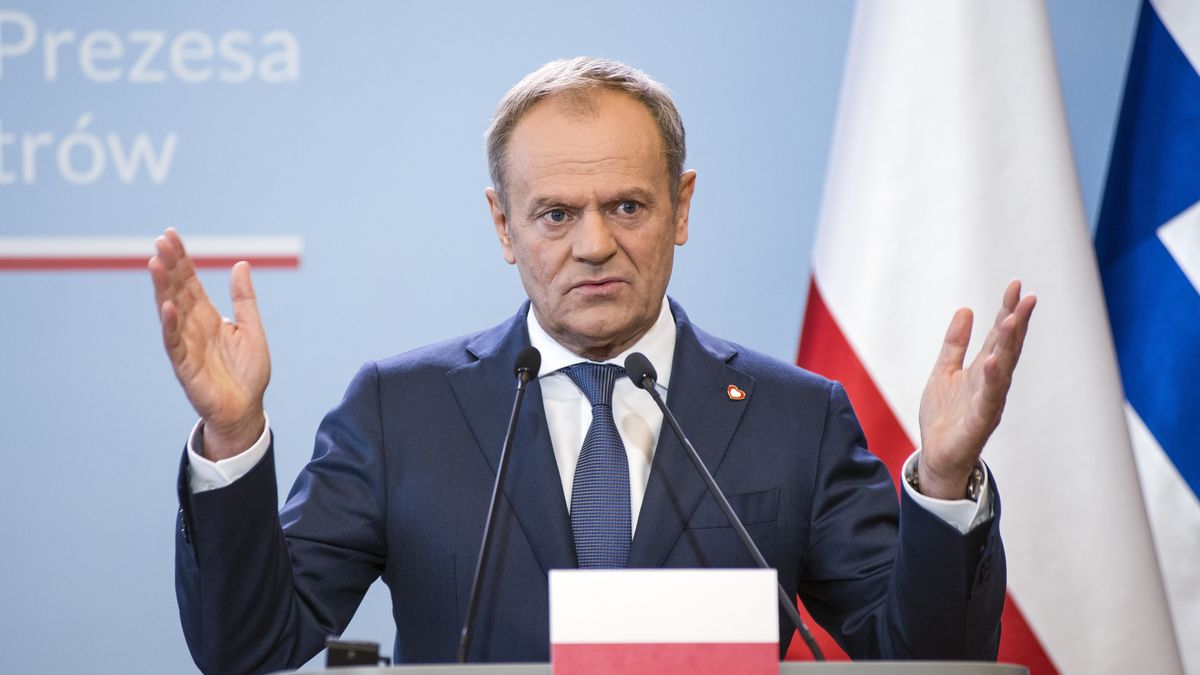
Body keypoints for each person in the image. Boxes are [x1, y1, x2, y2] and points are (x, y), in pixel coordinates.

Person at [151, 57, 1035, 673]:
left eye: (627, 206)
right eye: (556, 215)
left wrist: (943, 483)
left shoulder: (795, 417)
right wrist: (232, 433)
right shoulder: (400, 411)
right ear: (503, 225)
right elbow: (248, 645)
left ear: (681, 207)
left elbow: (928, 660)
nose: (595, 244)